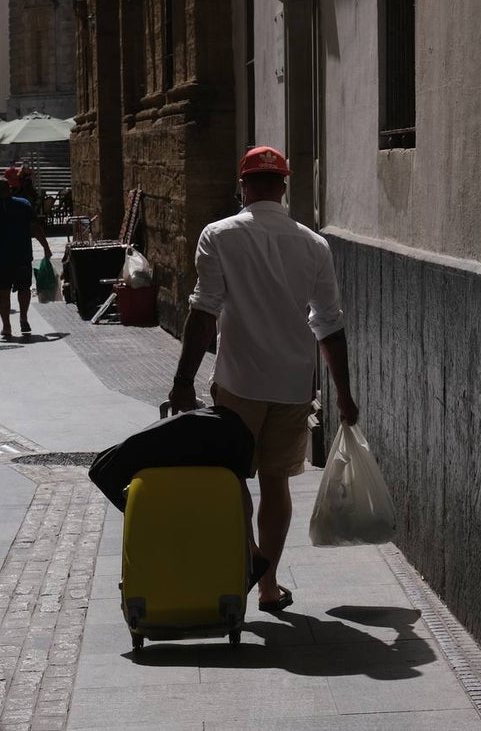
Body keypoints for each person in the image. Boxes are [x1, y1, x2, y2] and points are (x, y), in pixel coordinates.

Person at [169, 145, 359, 614]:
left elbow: (204, 311)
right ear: (284, 185)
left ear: (243, 185)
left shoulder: (218, 235)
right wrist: (344, 395)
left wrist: (182, 381)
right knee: (277, 483)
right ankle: (269, 584)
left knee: (232, 477)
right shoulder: (314, 244)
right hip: (294, 384)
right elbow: (329, 324)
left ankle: (251, 556)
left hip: (238, 381)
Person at [0, 179, 52, 338]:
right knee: (24, 288)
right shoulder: (24, 205)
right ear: (10, 189)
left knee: (3, 291)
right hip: (22, 254)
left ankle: (6, 326)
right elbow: (35, 228)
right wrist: (46, 247)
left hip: (1, 257)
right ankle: (24, 318)